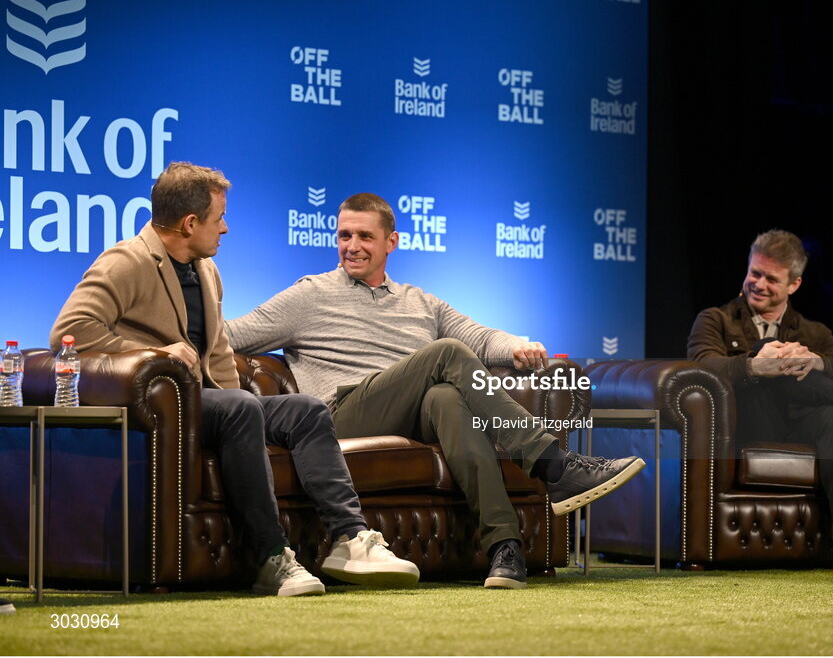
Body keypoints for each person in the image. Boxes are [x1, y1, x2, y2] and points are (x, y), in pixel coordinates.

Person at [225, 192, 645, 589]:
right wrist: (171, 337)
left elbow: (478, 336)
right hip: (341, 415)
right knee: (445, 354)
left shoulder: (420, 302)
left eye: (364, 236)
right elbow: (230, 335)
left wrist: (517, 345)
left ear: (391, 242)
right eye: (344, 236)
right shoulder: (309, 295)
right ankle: (555, 465)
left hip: (410, 413)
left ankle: (505, 548)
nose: (351, 246)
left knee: (445, 398)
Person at [51, 163, 419, 596]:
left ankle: (350, 539)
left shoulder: (206, 269)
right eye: (218, 218)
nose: (225, 228)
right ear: (190, 224)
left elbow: (219, 351)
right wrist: (152, 354)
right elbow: (69, 331)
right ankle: (270, 557)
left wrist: (243, 421)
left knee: (305, 409)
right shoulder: (127, 261)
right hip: (158, 406)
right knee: (240, 406)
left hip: (210, 403)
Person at [686, 229, 833, 577]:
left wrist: (816, 363)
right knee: (776, 358)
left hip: (802, 422)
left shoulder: (816, 333)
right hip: (748, 422)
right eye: (755, 273)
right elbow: (702, 367)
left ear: (794, 284)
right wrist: (755, 365)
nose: (759, 283)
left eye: (771, 278)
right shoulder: (715, 320)